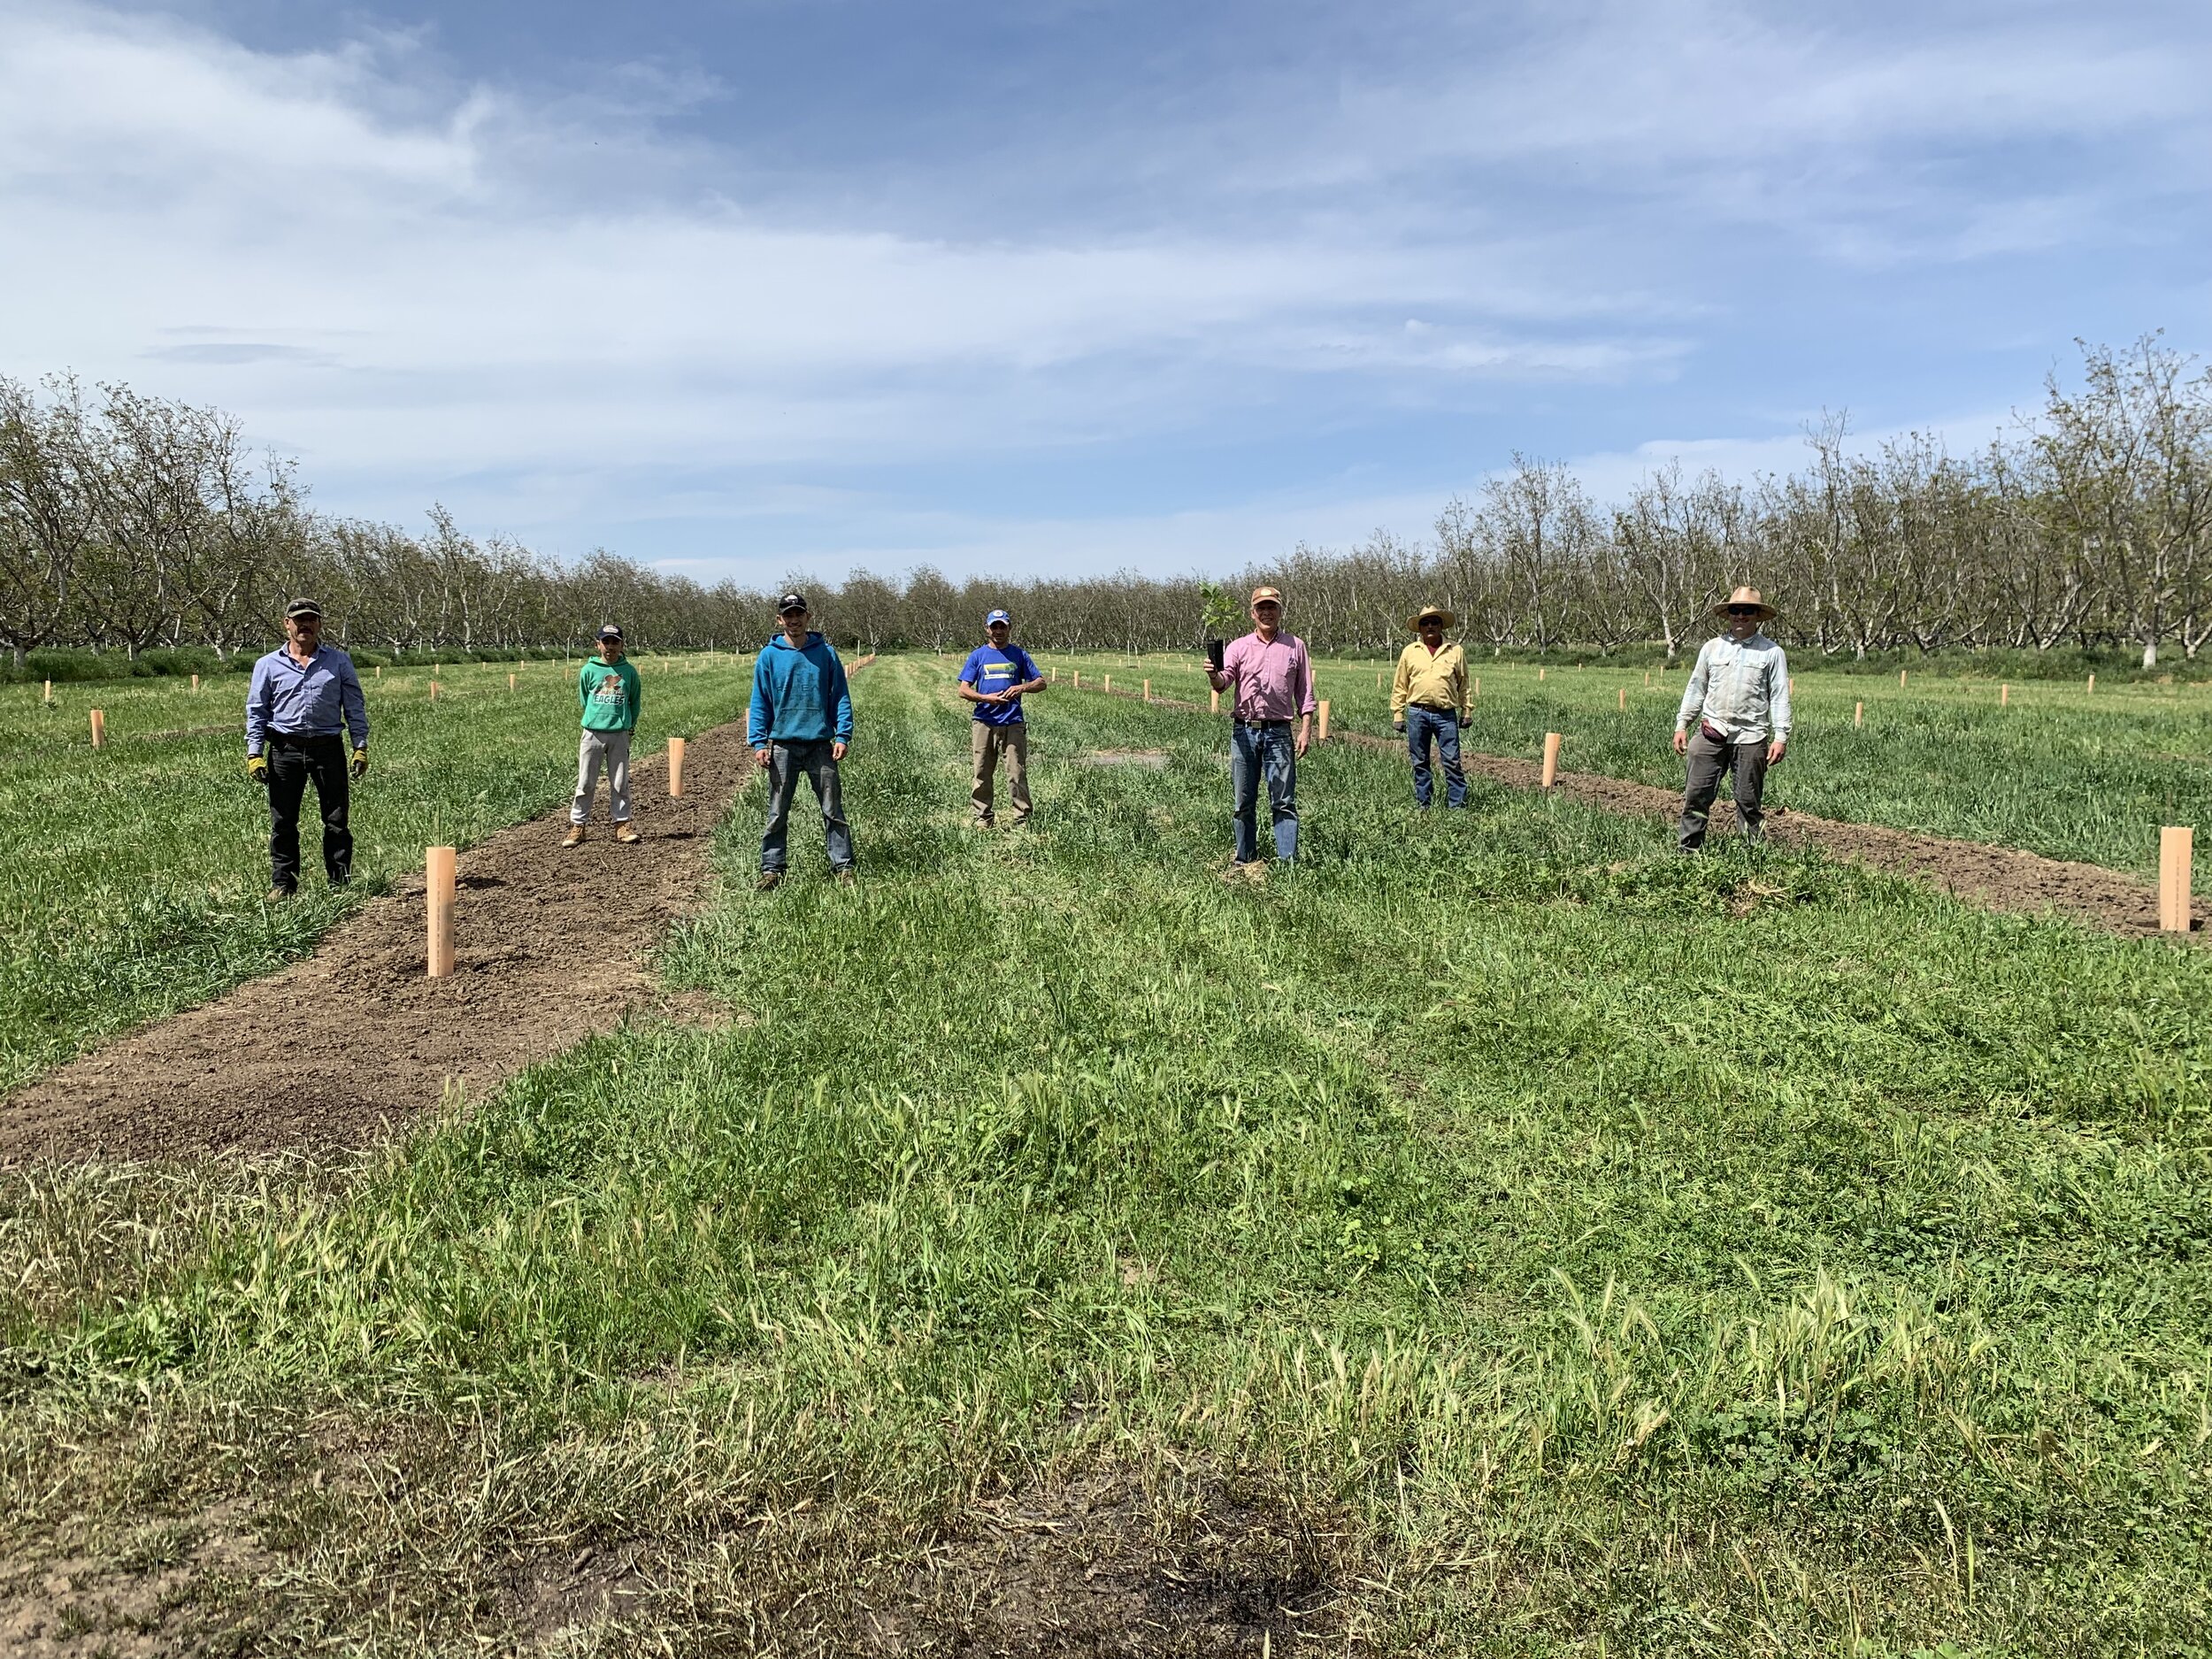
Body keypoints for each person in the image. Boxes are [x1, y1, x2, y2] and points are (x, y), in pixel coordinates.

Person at [244, 597, 369, 900]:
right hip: (285, 751)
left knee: (336, 820)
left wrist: (360, 746)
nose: (305, 625)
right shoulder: (267, 665)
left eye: (311, 619)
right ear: (286, 624)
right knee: (283, 821)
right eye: (299, 620)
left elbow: (354, 705)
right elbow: (257, 710)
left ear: (319, 624)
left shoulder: (338, 661)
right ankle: (283, 885)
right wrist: (255, 753)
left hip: (328, 749)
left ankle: (339, 883)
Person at [1203, 585, 1315, 874]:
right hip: (1244, 732)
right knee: (1243, 801)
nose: (1267, 612)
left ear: (1280, 611)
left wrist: (1305, 730)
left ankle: (1288, 865)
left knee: (1284, 801)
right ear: (1252, 613)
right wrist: (1213, 675)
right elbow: (1223, 683)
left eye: (1272, 607)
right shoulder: (1239, 647)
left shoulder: (1295, 646)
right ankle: (1244, 859)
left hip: (1279, 733)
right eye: (1261, 608)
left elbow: (1305, 692)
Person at [749, 593, 856, 889]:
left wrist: (843, 734)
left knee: (833, 809)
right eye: (788, 615)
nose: (793, 620)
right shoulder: (769, 656)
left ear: (808, 617)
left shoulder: (826, 653)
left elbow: (841, 697)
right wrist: (759, 743)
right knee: (777, 811)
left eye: (799, 614)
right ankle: (772, 869)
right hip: (782, 745)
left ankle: (844, 866)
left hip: (821, 744)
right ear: (779, 619)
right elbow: (760, 701)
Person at [1674, 587, 1792, 850]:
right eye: (1735, 610)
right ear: (1728, 614)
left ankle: (1753, 855)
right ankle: (1688, 852)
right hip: (1711, 732)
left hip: (1751, 737)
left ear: (1757, 616)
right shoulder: (1712, 648)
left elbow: (1780, 695)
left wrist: (1781, 736)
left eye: (1747, 610)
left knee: (1749, 802)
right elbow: (1697, 687)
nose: (1740, 616)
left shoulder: (1772, 653)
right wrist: (1682, 724)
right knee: (1696, 796)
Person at [957, 608, 1045, 826]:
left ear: (1009, 629)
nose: (998, 630)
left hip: (1013, 722)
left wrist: (1022, 687)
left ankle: (1022, 818)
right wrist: (986, 698)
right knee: (982, 772)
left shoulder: (1020, 655)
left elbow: (1041, 683)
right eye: (994, 626)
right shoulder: (977, 656)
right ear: (987, 629)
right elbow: (963, 690)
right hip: (984, 722)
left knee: (1016, 772)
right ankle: (983, 817)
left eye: (1002, 626)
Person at [565, 624, 642, 847]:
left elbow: (634, 701)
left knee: (620, 782)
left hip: (619, 734)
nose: (610, 647)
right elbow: (584, 699)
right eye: (606, 642)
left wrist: (629, 725)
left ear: (621, 644)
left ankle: (622, 824)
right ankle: (578, 826)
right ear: (597, 644)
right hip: (592, 733)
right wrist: (595, 720)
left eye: (614, 642)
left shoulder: (628, 671)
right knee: (586, 782)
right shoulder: (589, 670)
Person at [1391, 604, 1471, 809]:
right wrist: (1398, 713)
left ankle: (1457, 806)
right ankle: (1423, 804)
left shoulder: (1455, 650)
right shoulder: (1410, 652)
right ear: (1419, 628)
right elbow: (1400, 684)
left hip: (1446, 715)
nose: (1430, 626)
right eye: (1425, 623)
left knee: (1452, 761)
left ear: (1441, 625)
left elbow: (1464, 683)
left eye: (1434, 622)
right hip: (1418, 713)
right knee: (1420, 761)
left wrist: (1467, 710)